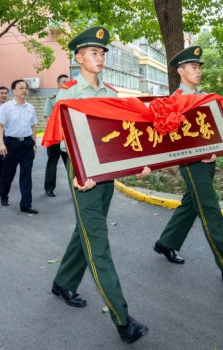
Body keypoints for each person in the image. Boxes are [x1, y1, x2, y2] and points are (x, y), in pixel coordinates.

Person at [49, 26, 150, 344]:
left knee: (87, 229)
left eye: (103, 52)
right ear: (78, 57)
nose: (100, 57)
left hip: (106, 174)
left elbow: (121, 135)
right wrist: (80, 172)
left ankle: (63, 281)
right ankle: (123, 319)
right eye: (94, 52)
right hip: (84, 176)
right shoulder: (69, 93)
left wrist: (139, 161)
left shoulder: (110, 93)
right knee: (99, 242)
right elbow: (65, 139)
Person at [152, 46, 223, 288]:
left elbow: (221, 125)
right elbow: (170, 137)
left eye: (199, 68)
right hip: (192, 164)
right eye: (193, 68)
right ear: (181, 71)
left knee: (191, 203)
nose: (198, 71)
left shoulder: (206, 96)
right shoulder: (173, 102)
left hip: (210, 161)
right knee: (210, 210)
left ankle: (166, 243)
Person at [0, 80, 38, 214]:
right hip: (11, 144)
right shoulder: (6, 107)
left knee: (26, 175)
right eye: (21, 88)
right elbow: (0, 126)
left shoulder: (30, 107)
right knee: (8, 173)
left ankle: (26, 204)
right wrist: (1, 144)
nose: (24, 90)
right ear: (14, 91)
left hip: (27, 144)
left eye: (26, 88)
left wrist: (34, 144)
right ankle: (3, 194)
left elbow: (33, 127)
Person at [43, 74, 70, 197]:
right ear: (58, 84)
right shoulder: (52, 99)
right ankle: (49, 187)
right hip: (55, 137)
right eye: (64, 82)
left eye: (68, 82)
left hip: (68, 137)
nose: (66, 84)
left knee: (70, 164)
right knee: (52, 163)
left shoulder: (73, 98)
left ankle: (75, 188)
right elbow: (48, 118)